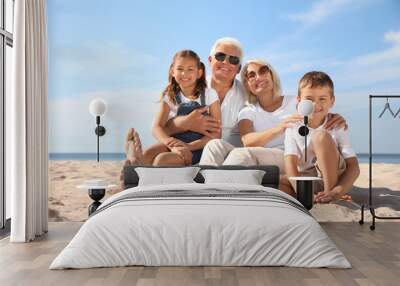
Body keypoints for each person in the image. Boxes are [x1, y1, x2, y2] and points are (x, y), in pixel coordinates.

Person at [203, 58, 347, 170]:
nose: (258, 77)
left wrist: (336, 117)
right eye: (251, 75)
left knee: (241, 154)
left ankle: (221, 188)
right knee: (214, 145)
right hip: (260, 156)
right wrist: (280, 128)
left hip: (291, 158)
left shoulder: (294, 102)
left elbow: (320, 114)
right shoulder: (248, 111)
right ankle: (201, 188)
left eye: (263, 71)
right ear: (247, 84)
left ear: (272, 76)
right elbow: (247, 140)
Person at [125, 50, 221, 166]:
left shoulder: (209, 94)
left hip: (198, 147)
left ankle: (142, 167)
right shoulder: (170, 96)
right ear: (173, 72)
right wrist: (171, 143)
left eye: (190, 69)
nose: (184, 74)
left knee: (161, 160)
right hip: (175, 142)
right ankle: (135, 165)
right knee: (147, 155)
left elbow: (216, 134)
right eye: (180, 69)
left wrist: (189, 146)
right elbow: (156, 127)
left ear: (199, 73)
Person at [164, 38, 247, 165]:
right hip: (186, 151)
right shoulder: (188, 85)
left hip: (230, 159)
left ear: (239, 68)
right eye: (220, 56)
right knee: (156, 157)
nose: (225, 62)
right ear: (210, 60)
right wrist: (184, 123)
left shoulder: (248, 95)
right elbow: (163, 129)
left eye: (233, 59)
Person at [280, 71, 360, 202]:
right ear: (299, 101)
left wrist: (337, 191)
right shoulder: (293, 126)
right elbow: (291, 164)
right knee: (275, 183)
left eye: (322, 99)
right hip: (309, 179)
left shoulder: (336, 124)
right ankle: (314, 197)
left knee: (320, 136)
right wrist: (301, 192)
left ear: (332, 101)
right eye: (309, 99)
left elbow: (353, 167)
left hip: (334, 176)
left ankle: (329, 193)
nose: (316, 105)